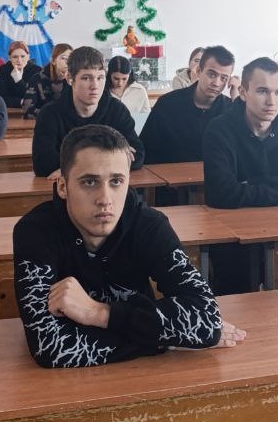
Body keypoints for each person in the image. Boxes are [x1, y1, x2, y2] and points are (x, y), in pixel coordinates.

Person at [12, 125, 245, 368]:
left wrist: (99, 313)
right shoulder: (35, 232)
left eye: (116, 181)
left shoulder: (149, 225)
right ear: (63, 186)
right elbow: (50, 347)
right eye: (89, 182)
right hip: (69, 384)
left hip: (147, 374)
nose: (105, 199)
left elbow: (207, 321)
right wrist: (166, 336)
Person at [203, 56, 278, 293]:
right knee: (237, 291)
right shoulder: (220, 129)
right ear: (243, 92)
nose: (272, 101)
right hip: (232, 232)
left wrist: (248, 184)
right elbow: (219, 193)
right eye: (263, 91)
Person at [33, 46, 145, 178]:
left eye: (100, 78)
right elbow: (43, 165)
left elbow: (138, 155)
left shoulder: (117, 110)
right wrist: (114, 155)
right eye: (86, 78)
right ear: (69, 78)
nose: (95, 86)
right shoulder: (49, 114)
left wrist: (70, 165)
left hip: (109, 186)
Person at [140, 45, 235, 165]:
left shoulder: (230, 110)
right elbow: (146, 150)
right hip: (169, 175)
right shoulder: (168, 104)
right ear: (198, 71)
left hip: (215, 176)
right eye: (211, 74)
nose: (216, 83)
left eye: (224, 78)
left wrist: (238, 99)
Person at [26, 42, 72, 116]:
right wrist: (54, 115)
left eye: (70, 59)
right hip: (43, 120)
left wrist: (69, 84)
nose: (67, 62)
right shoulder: (37, 79)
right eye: (63, 58)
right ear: (53, 61)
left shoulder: (74, 80)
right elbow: (27, 109)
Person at [0, 40, 41, 109]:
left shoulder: (37, 70)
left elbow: (34, 98)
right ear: (9, 58)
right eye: (15, 57)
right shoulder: (4, 69)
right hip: (9, 110)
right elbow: (1, 98)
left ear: (28, 56)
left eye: (23, 56)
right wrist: (21, 102)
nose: (19, 60)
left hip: (32, 110)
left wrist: (18, 80)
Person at [106, 55, 151, 123]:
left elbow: (146, 118)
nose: (120, 83)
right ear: (109, 74)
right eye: (116, 78)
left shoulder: (140, 90)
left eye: (124, 79)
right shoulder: (102, 91)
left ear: (130, 75)